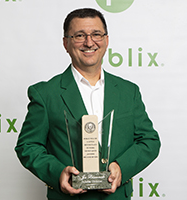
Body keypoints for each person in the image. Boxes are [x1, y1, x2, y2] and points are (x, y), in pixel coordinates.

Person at [15, 8, 160, 200]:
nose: (89, 42)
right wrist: (58, 173)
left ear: (106, 40)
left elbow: (149, 141)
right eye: (79, 35)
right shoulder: (45, 94)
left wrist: (121, 168)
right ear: (66, 43)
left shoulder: (128, 91)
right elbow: (28, 145)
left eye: (96, 34)